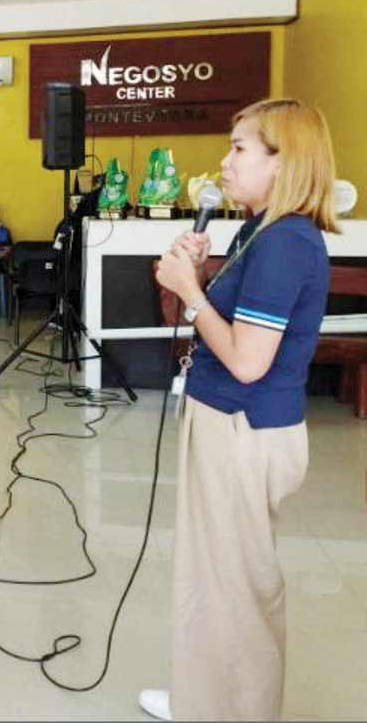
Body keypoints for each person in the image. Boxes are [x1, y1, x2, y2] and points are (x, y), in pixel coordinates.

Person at [144, 99, 336, 722]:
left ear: (284, 163)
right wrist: (194, 279)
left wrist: (191, 291)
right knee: (210, 581)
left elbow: (249, 361)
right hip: (224, 421)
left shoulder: (287, 243)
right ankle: (202, 701)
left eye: (239, 149)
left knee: (238, 592)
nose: (223, 163)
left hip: (245, 431)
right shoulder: (259, 231)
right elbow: (214, 326)